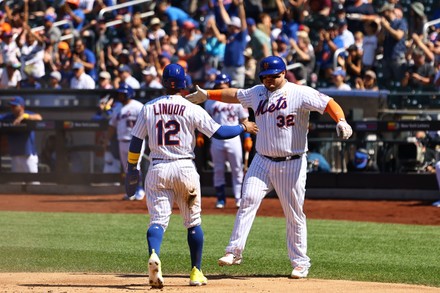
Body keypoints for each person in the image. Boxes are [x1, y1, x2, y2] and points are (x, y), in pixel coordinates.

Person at [186, 56, 352, 279]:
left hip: (291, 162)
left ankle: (301, 263)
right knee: (247, 201)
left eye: (274, 75)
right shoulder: (257, 92)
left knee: (293, 213)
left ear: (283, 73)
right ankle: (234, 251)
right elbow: (235, 94)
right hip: (262, 159)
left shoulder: (300, 92)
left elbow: (328, 102)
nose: (269, 80)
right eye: (265, 76)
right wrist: (207, 94)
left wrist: (341, 120)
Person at [124, 63, 258, 288]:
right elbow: (220, 133)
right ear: (184, 83)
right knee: (193, 223)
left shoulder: (148, 107)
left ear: (164, 82)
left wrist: (131, 169)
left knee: (157, 222)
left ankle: (154, 254)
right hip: (184, 168)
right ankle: (196, 272)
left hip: (158, 168)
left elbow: (136, 141)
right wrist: (243, 127)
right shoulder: (190, 107)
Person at [200, 73, 252, 208]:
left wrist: (247, 137)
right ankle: (221, 199)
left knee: (237, 169)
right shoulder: (209, 101)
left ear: (228, 85)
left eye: (224, 85)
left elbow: (244, 120)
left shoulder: (237, 100)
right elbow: (204, 121)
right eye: (219, 85)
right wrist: (200, 135)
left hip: (234, 139)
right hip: (216, 140)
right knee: (218, 170)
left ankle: (238, 198)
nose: (222, 87)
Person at [106, 83, 145, 200]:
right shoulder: (117, 107)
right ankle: (131, 192)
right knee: (127, 169)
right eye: (119, 93)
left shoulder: (138, 106)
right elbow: (112, 126)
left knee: (135, 166)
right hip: (121, 141)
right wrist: (106, 140)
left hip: (136, 140)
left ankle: (140, 190)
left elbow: (148, 122)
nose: (121, 95)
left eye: (123, 93)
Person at [0, 96, 43, 173]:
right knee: (17, 183)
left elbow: (39, 117)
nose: (12, 108)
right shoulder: (9, 117)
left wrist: (24, 116)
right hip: (15, 155)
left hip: (28, 155)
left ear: (22, 106)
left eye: (15, 106)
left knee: (33, 182)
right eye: (11, 106)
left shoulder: (28, 114)